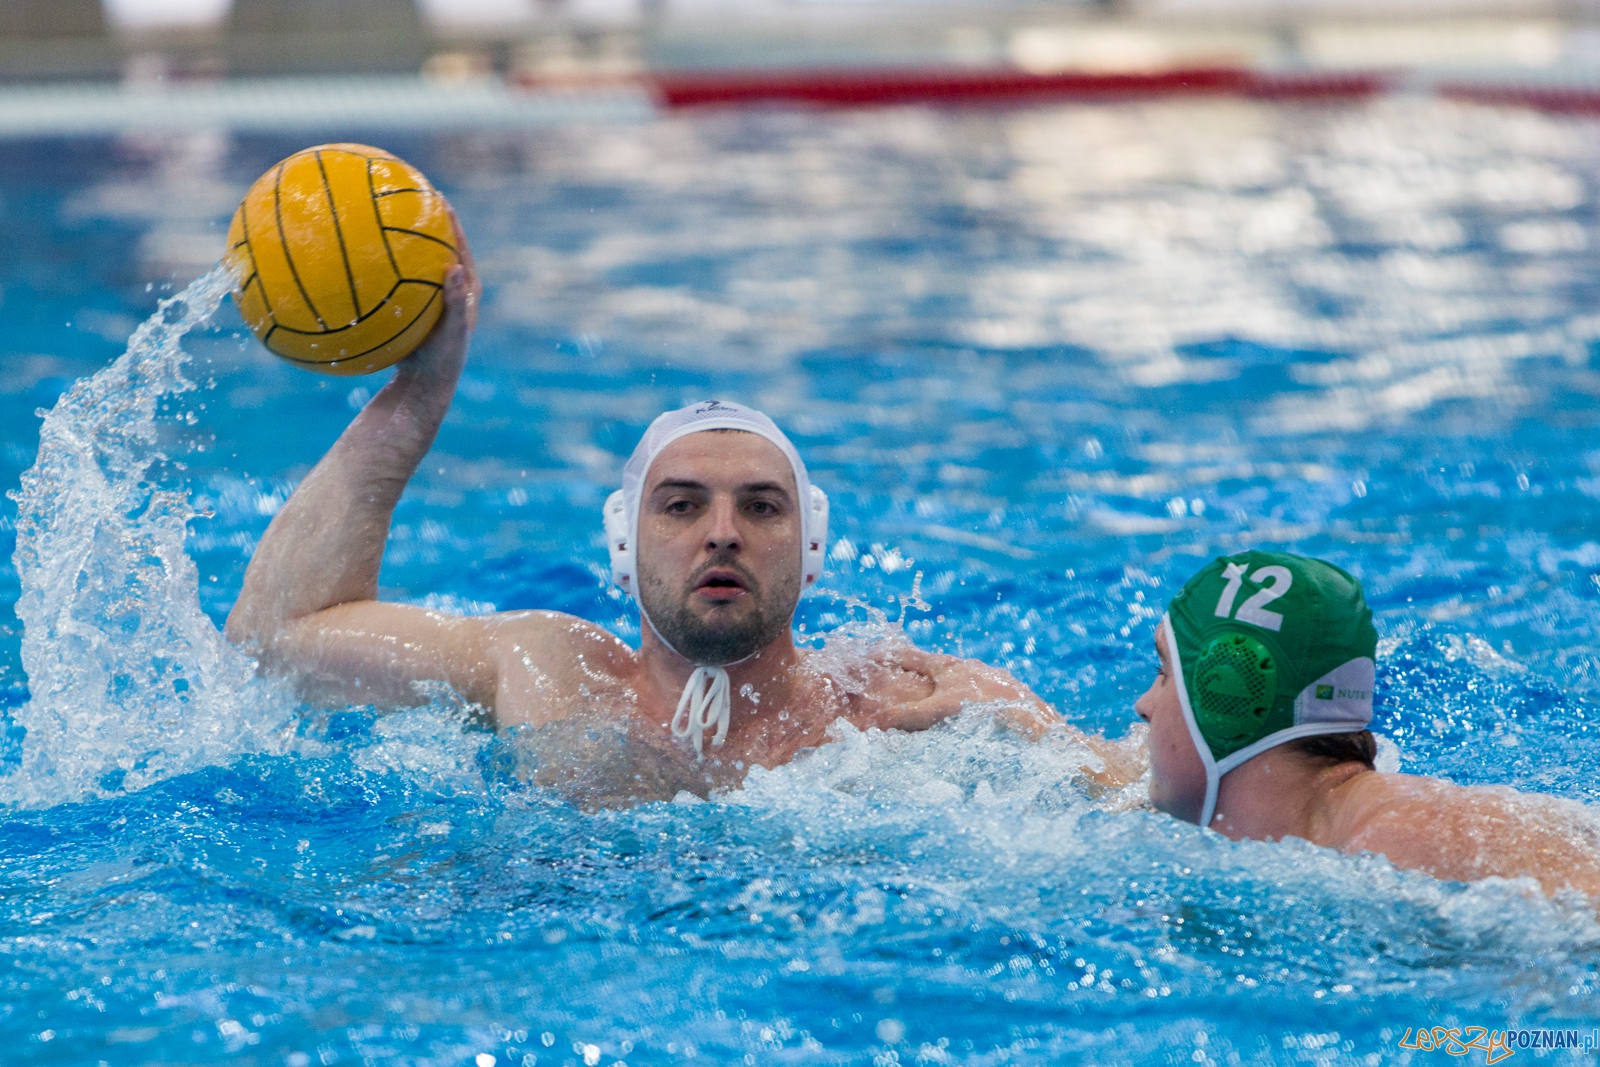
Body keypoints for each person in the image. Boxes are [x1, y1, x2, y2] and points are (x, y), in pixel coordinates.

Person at [225, 219, 1135, 803]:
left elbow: (1157, 806)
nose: (724, 529)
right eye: (682, 504)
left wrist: (1035, 732)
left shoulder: (892, 709)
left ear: (811, 547)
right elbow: (276, 638)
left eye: (762, 506)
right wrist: (417, 397)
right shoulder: (543, 672)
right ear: (625, 545)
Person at [1136, 549, 1600, 898]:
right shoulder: (1282, 825)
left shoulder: (1402, 837)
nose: (1143, 705)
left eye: (1163, 673)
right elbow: (1114, 772)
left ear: (1228, 697)